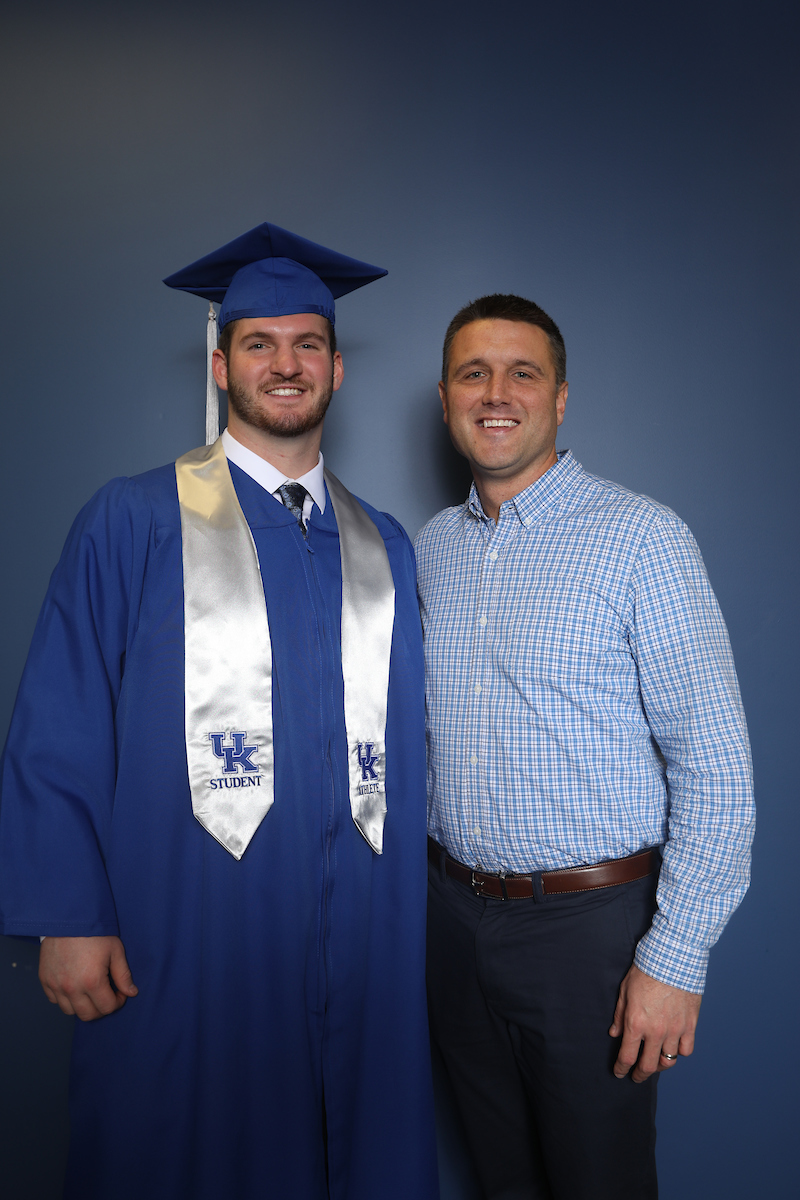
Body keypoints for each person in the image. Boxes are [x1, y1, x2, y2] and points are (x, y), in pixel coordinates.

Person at [0, 222, 439, 1200]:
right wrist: (66, 915)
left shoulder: (385, 546)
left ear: (334, 368)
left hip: (365, 925)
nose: (285, 365)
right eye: (259, 344)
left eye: (306, 345)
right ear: (220, 363)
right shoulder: (134, 519)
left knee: (356, 1141)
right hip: (185, 923)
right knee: (180, 1144)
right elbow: (60, 716)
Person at [416, 293, 755, 1200]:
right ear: (445, 395)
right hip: (450, 921)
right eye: (473, 373)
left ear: (560, 398)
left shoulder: (642, 538)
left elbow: (717, 773)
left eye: (522, 373)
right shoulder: (429, 551)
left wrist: (673, 961)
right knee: (500, 1180)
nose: (498, 393)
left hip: (591, 938)